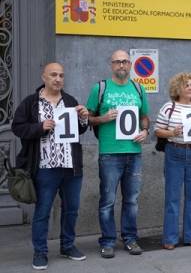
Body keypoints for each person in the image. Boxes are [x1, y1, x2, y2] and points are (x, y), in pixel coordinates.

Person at [12, 63, 89, 270]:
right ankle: (40, 252)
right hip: (45, 167)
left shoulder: (70, 101)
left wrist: (83, 119)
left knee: (71, 209)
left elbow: (79, 130)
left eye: (61, 75)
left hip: (70, 166)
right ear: (44, 77)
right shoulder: (30, 103)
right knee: (43, 210)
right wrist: (39, 127)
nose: (58, 79)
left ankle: (68, 246)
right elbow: (17, 127)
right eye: (53, 75)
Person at [86, 50, 150, 258]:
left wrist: (145, 131)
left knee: (132, 200)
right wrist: (102, 119)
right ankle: (107, 241)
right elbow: (88, 118)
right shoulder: (100, 88)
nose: (121, 65)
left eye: (124, 62)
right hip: (110, 153)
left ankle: (130, 239)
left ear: (130, 64)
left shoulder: (138, 89)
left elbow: (145, 117)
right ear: (111, 64)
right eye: (117, 62)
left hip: (134, 153)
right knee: (108, 200)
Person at [154, 72, 191, 249]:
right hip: (174, 152)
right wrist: (171, 133)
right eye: (187, 85)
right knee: (172, 197)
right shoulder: (168, 107)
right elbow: (157, 130)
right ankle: (170, 238)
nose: (190, 88)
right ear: (178, 88)